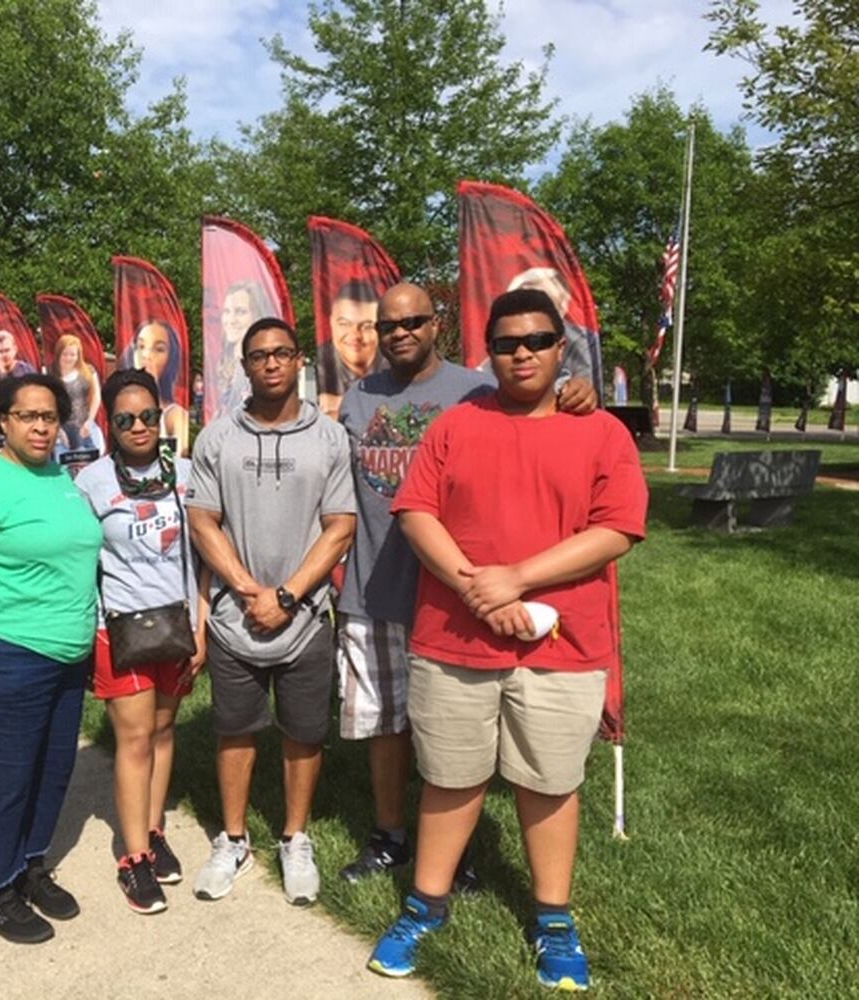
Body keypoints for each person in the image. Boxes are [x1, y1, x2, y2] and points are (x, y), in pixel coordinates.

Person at [368, 289, 647, 989]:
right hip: (453, 638)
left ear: (561, 347)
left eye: (535, 340)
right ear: (486, 352)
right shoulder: (455, 425)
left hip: (562, 643)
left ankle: (553, 917)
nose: (520, 353)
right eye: (504, 343)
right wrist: (475, 588)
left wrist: (516, 579)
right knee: (450, 777)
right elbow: (415, 513)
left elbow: (615, 529)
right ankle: (425, 904)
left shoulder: (602, 433)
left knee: (547, 782)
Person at [335, 282, 596, 884]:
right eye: (388, 325)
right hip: (372, 590)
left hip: (457, 595)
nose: (400, 333)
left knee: (449, 733)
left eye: (414, 322)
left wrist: (577, 392)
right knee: (385, 725)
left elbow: (537, 414)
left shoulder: (476, 391)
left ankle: (455, 848)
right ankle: (390, 834)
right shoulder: (357, 397)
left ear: (438, 325)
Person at [185, 317, 356, 906]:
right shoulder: (217, 438)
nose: (272, 364)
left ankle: (294, 837)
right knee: (234, 731)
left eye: (282, 353)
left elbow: (341, 526)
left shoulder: (330, 438)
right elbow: (203, 520)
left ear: (298, 360)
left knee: (304, 734)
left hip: (305, 617)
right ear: (244, 366)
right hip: (235, 619)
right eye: (259, 356)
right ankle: (233, 839)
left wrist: (285, 596)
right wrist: (247, 589)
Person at [0, 373, 104, 945]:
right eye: (27, 416)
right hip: (5, 655)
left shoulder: (59, 477)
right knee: (0, 779)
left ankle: (30, 866)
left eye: (49, 417)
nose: (39, 427)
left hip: (65, 659)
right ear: (1, 419)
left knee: (52, 772)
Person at [75, 370, 209, 914]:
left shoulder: (188, 473)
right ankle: (132, 859)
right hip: (121, 629)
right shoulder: (91, 481)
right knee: (132, 740)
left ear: (162, 416)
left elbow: (201, 555)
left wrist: (201, 626)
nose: (138, 427)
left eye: (147, 416)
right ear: (110, 421)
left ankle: (153, 833)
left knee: (162, 728)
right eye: (125, 418)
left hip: (177, 625)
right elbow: (81, 562)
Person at [318, 280, 383, 419]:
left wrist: (342, 403)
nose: (355, 335)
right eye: (344, 324)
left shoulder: (395, 364)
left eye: (367, 326)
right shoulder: (320, 365)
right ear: (331, 322)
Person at [126, 320, 188, 453]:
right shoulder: (121, 408)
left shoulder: (176, 415)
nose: (146, 356)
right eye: (141, 346)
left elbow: (178, 460)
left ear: (170, 358)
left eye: (159, 349)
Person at [212, 280, 272, 418]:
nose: (231, 320)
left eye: (240, 312)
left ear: (257, 315)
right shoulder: (225, 363)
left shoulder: (266, 367)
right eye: (227, 311)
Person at [50, 334, 104, 453]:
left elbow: (96, 397)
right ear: (59, 354)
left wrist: (89, 421)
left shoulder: (88, 371)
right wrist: (58, 429)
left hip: (84, 425)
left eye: (72, 354)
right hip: (61, 427)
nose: (69, 358)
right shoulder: (51, 374)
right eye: (65, 354)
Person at [0, 330, 34, 397]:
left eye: (7, 350)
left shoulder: (28, 371)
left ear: (15, 349)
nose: (4, 355)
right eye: (0, 351)